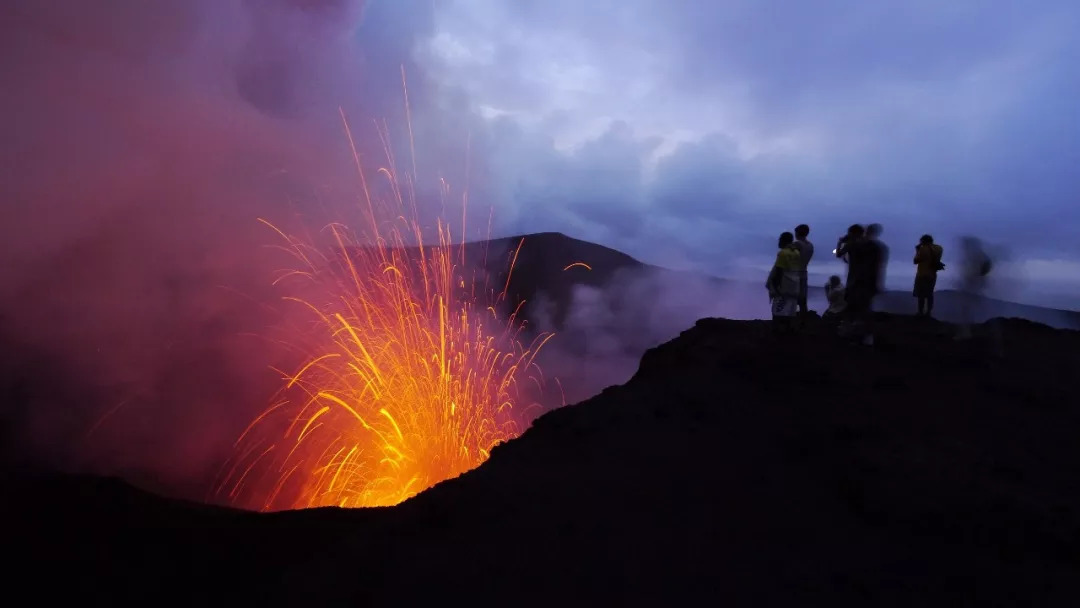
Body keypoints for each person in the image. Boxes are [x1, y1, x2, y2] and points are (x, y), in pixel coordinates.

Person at [835, 224, 884, 346]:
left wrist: (840, 242)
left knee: (854, 309)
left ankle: (853, 336)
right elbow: (878, 266)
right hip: (870, 281)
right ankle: (867, 337)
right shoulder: (876, 247)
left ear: (852, 233)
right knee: (865, 309)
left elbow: (838, 254)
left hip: (854, 281)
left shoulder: (852, 244)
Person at [766, 231, 802, 333]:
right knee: (790, 313)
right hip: (794, 286)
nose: (778, 241)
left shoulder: (783, 253)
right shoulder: (796, 253)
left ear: (783, 240)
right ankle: (788, 335)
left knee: (777, 312)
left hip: (784, 287)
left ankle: (777, 336)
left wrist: (775, 288)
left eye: (780, 239)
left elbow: (779, 271)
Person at [913, 234, 944, 317]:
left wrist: (917, 250)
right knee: (929, 294)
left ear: (924, 241)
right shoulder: (939, 248)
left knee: (921, 295)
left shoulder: (923, 249)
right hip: (932, 275)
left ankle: (920, 313)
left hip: (922, 274)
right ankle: (928, 313)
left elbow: (916, 261)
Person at [791, 224, 814, 315]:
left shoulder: (797, 244)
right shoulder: (810, 245)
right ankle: (804, 318)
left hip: (794, 273)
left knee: (792, 297)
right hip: (804, 272)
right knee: (803, 299)